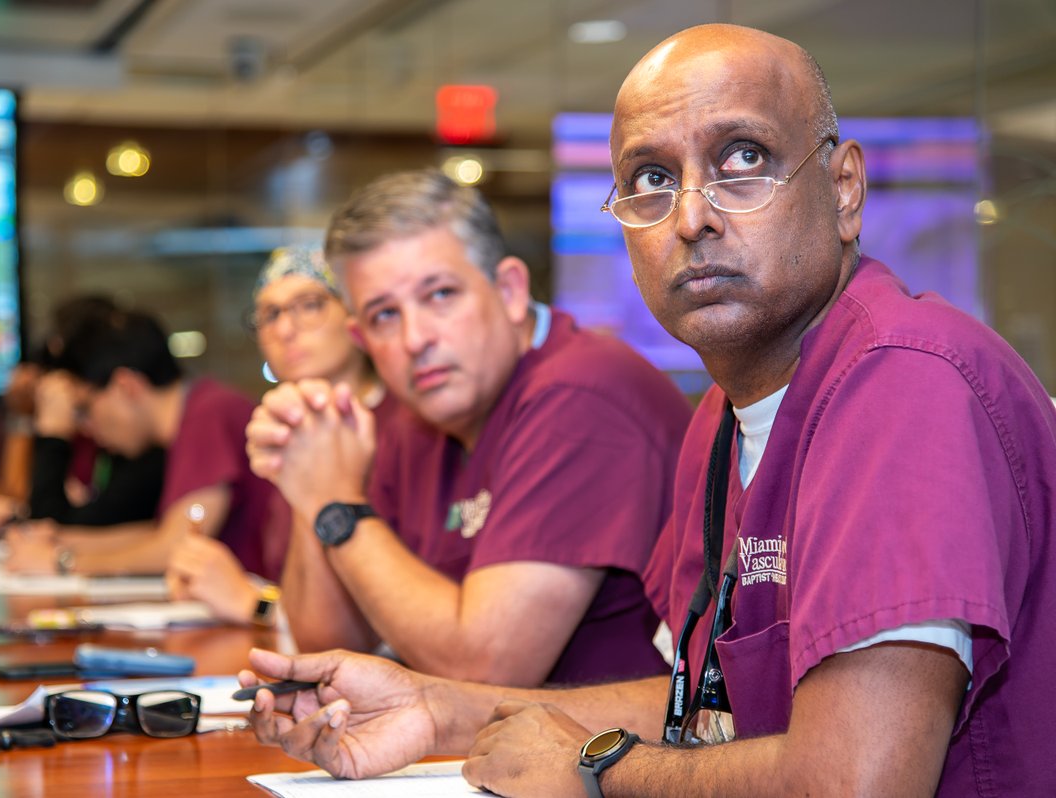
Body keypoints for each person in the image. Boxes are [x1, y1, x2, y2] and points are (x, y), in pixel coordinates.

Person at [235, 23, 1056, 797]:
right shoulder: (722, 417)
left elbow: (857, 780)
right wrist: (435, 708)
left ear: (845, 189)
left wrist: (599, 771)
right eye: (652, 180)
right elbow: (700, 706)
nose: (692, 217)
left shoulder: (903, 381)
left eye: (743, 158)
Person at [246, 169, 691, 687]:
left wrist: (335, 505)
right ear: (360, 338)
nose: (415, 339)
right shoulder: (422, 416)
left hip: (613, 756)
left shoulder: (581, 393)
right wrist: (312, 470)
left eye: (439, 295)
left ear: (508, 290)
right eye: (384, 315)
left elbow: (488, 664)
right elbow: (329, 645)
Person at [164, 246, 392, 623]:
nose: (285, 330)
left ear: (354, 314)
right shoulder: (280, 430)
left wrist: (256, 605)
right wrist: (219, 583)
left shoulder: (405, 425)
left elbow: (391, 614)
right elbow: (295, 587)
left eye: (311, 304)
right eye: (270, 314)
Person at [3, 307, 288, 581]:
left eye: (86, 408)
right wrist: (62, 538)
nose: (86, 428)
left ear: (126, 386)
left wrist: (62, 562)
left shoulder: (208, 414)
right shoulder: (194, 413)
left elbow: (176, 545)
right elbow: (161, 532)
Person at [0, 294, 165, 538]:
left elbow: (53, 522)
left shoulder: (143, 448)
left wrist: (51, 432)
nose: (88, 423)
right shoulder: (116, 441)